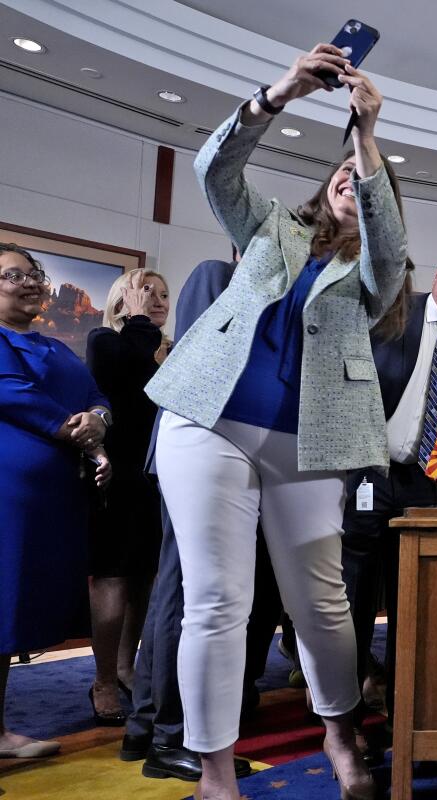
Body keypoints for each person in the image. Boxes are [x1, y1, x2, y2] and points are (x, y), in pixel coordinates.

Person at [143, 43, 408, 800]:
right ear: (321, 187)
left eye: (365, 183)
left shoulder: (372, 275)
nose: (350, 184)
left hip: (309, 441)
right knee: (218, 598)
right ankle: (215, 775)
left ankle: (340, 730)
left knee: (321, 601)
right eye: (342, 176)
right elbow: (212, 171)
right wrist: (282, 92)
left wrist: (365, 136)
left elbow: (390, 253)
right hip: (206, 421)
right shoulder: (269, 228)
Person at [120, 257, 259, 782]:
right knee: (184, 596)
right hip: (199, 449)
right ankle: (170, 739)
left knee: (174, 592)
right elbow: (207, 366)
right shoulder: (215, 275)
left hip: (219, 457)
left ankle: (147, 727)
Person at [341, 248, 437, 722]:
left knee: (413, 598)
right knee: (355, 593)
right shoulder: (393, 313)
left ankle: (405, 710)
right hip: (369, 471)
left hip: (423, 487)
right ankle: (342, 707)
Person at [1, 243, 111, 759]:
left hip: (52, 499)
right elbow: (13, 393)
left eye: (31, 274)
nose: (27, 283)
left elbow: (97, 395)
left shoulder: (56, 347)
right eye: (10, 276)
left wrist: (99, 420)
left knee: (13, 611)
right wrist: (79, 430)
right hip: (8, 497)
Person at [85, 268, 172, 726]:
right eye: (146, 294)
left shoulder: (168, 351)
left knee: (143, 578)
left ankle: (124, 667)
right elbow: (128, 377)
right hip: (114, 477)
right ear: (122, 301)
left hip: (156, 479)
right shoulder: (105, 339)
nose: (158, 301)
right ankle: (102, 679)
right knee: (113, 578)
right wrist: (138, 322)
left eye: (163, 295)